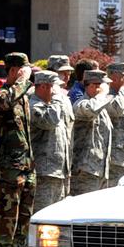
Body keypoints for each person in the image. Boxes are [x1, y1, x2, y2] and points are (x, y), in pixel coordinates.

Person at [0, 52, 35, 247]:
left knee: (25, 213)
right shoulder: (3, 94)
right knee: (7, 214)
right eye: (22, 70)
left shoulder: (24, 97)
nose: (27, 75)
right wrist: (21, 82)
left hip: (26, 164)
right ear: (12, 71)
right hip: (9, 167)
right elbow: (4, 102)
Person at [30, 70, 72, 212]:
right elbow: (50, 121)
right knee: (43, 215)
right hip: (44, 172)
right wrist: (57, 98)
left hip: (60, 171)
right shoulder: (34, 105)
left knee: (57, 219)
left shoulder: (53, 105)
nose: (59, 90)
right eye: (56, 87)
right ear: (43, 87)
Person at [71, 69, 114, 195]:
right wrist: (103, 94)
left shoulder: (101, 107)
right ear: (90, 85)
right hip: (85, 172)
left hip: (100, 170)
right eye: (100, 85)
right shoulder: (81, 104)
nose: (105, 89)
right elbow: (91, 110)